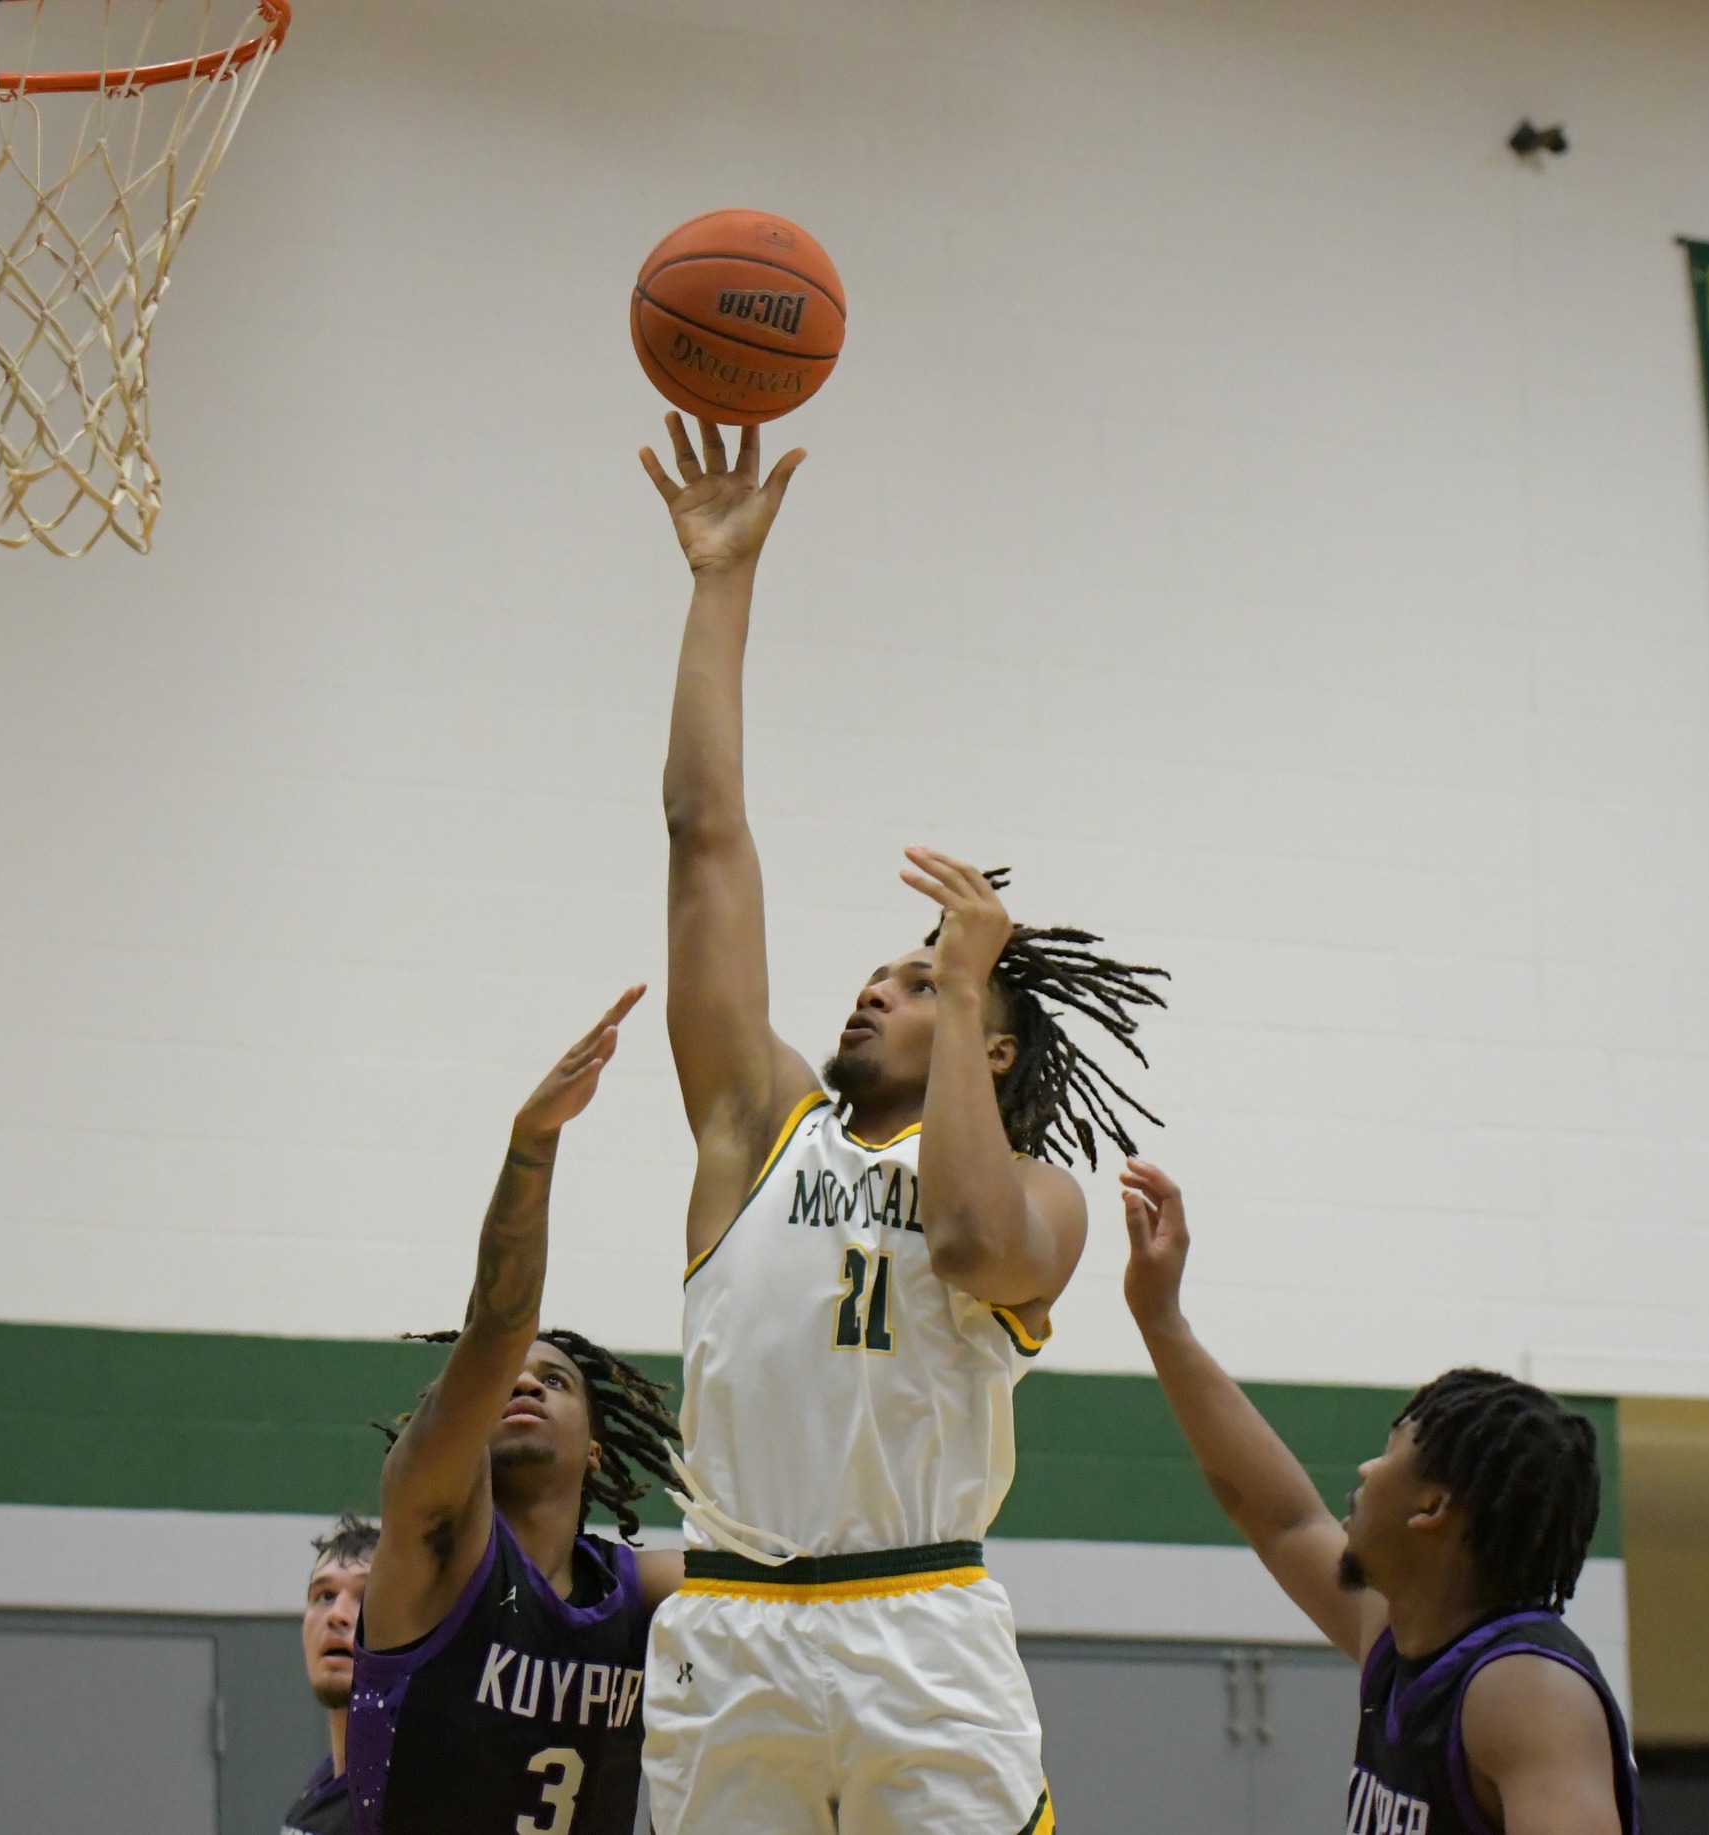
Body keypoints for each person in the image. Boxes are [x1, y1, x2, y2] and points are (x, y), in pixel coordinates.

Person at [635, 413, 1169, 1835]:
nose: (877, 982)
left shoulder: (1039, 1196)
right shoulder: (758, 1125)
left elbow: (970, 1238)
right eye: (878, 968)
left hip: (919, 1623)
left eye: (920, 979)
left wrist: (976, 965)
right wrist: (719, 582)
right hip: (733, 1619)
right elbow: (705, 834)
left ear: (989, 1042)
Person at [1119, 1158, 1640, 1835]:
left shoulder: (1524, 1691)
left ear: (1432, 1508)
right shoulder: (1402, 1637)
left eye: (1392, 1450)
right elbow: (1281, 1519)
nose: (1366, 1469)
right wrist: (1162, 1320)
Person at [346, 988, 688, 1834]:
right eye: (511, 1378)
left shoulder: (633, 1590)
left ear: (599, 1453)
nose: (525, 1384)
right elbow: (498, 1328)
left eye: (557, 1381)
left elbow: (777, 1577)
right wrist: (532, 1147)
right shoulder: (435, 1541)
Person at [284, 1514, 377, 1834]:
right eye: (325, 1595)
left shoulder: (412, 1801)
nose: (337, 1615)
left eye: (366, 1596)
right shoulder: (328, 1781)